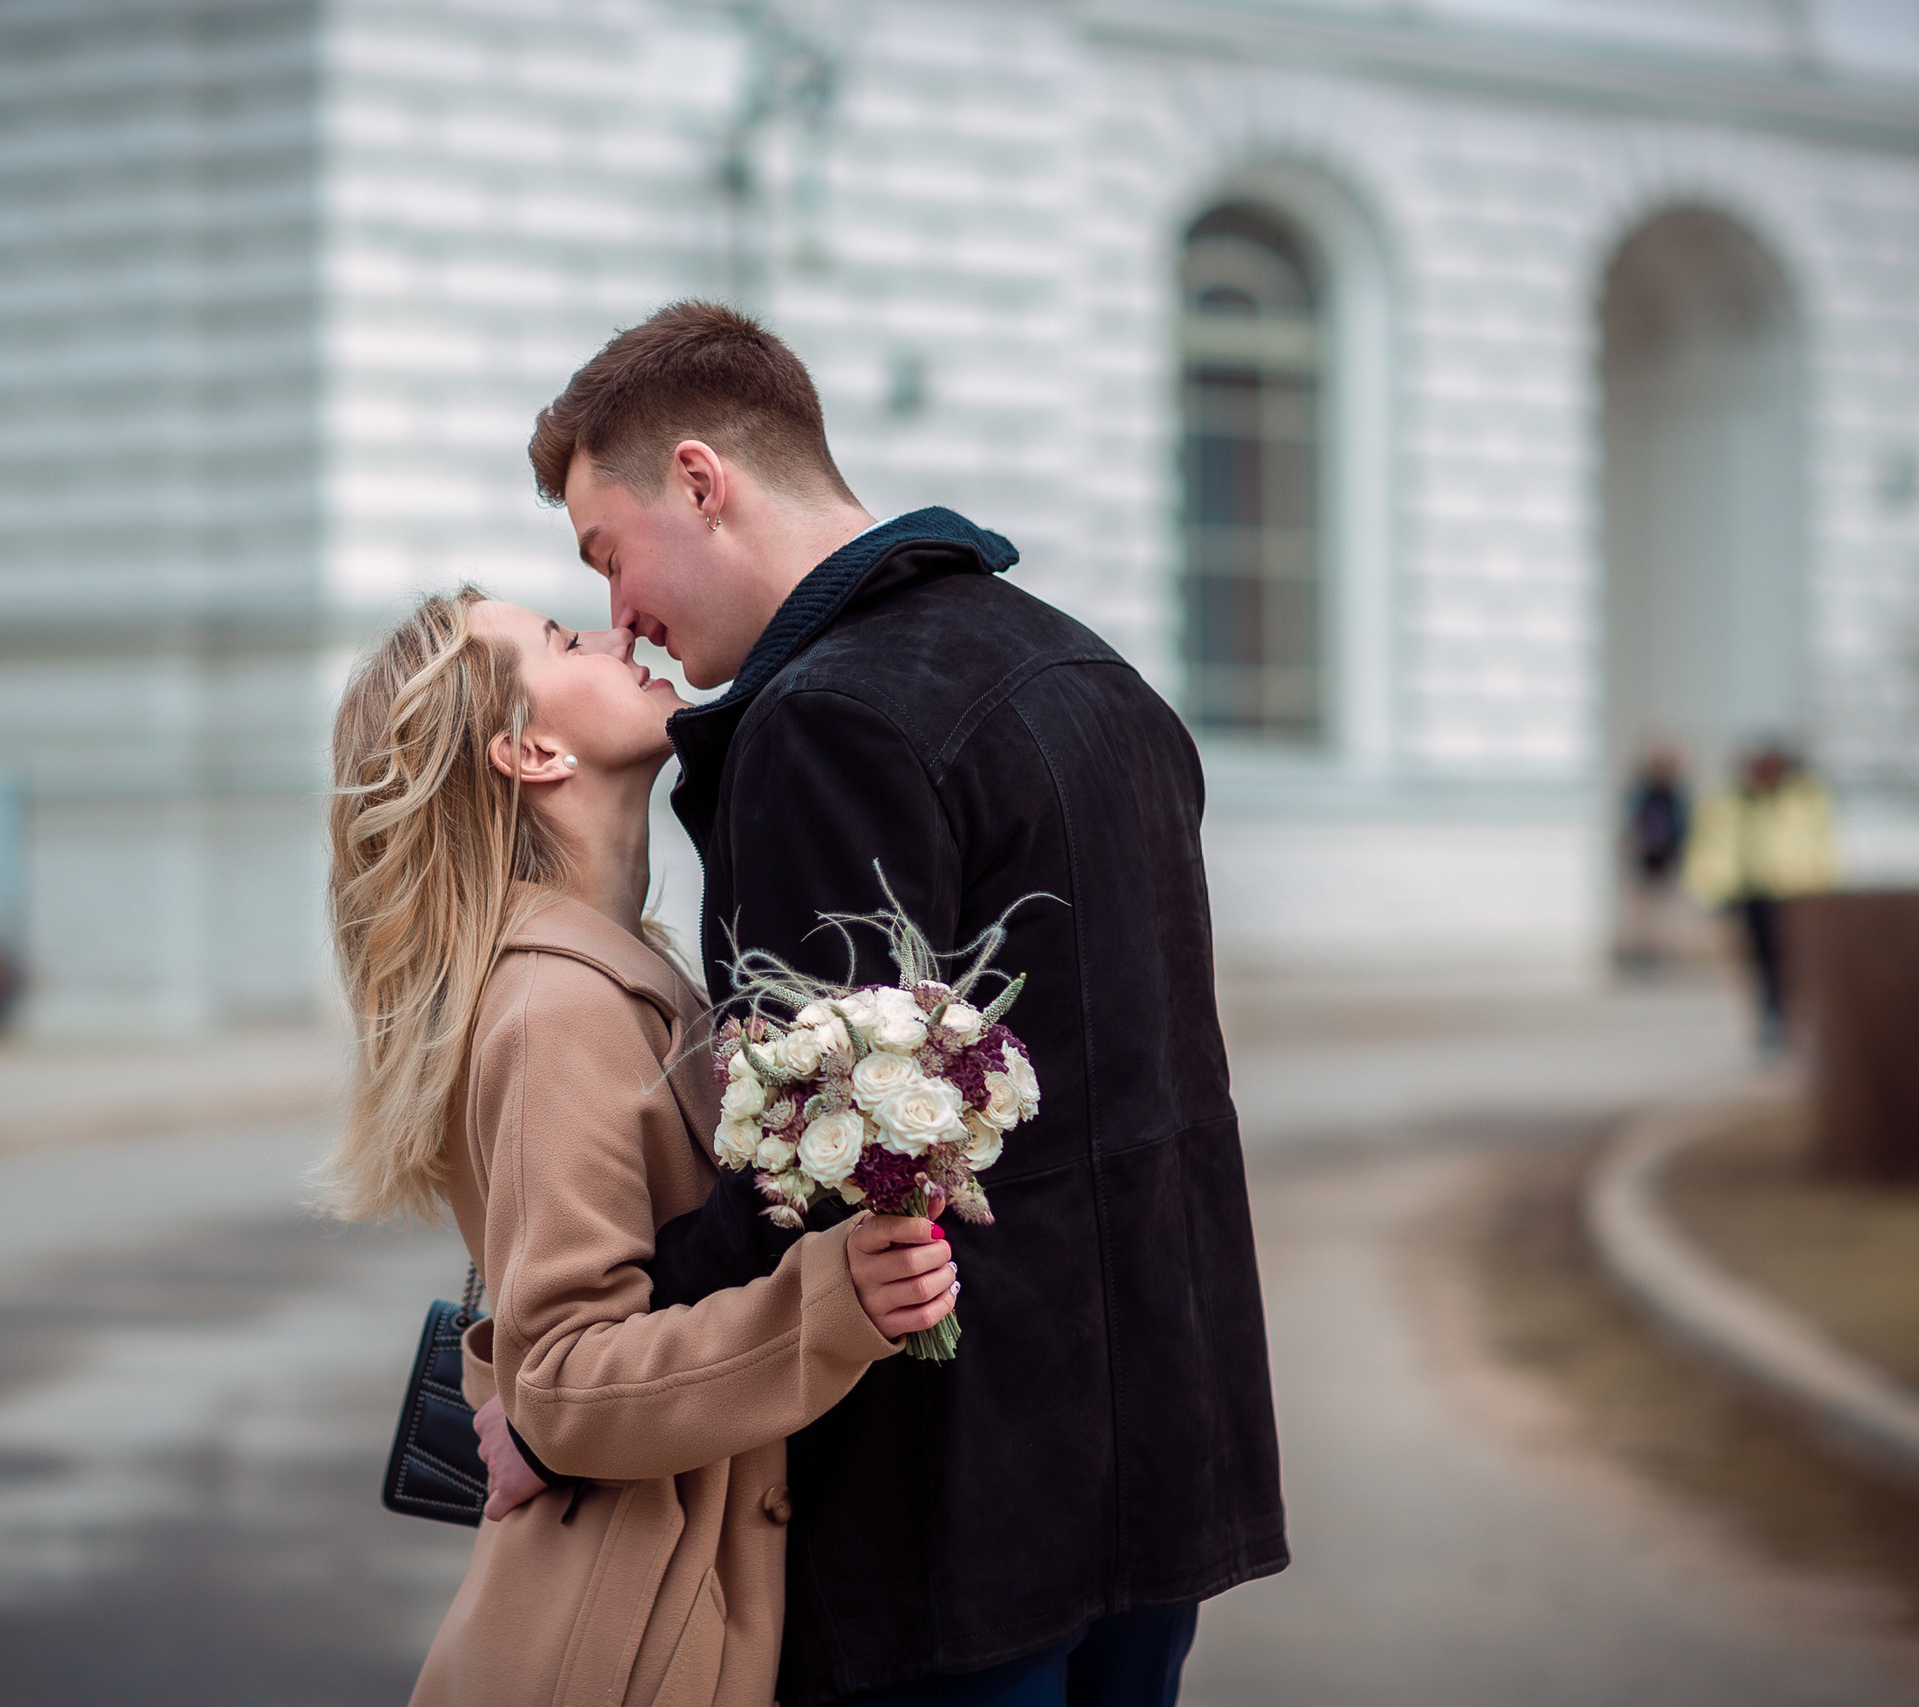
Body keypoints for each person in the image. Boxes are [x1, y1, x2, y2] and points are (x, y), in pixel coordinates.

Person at [486, 301, 1288, 1706]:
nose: (622, 614)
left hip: (959, 1515)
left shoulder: (827, 720)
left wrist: (557, 1419)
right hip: (1164, 1462)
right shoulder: (1092, 673)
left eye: (603, 554)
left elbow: (808, 1155)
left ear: (697, 477)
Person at [322, 589, 967, 1707]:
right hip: (622, 1640)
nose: (614, 633)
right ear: (530, 751)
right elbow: (562, 1385)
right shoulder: (554, 1010)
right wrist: (826, 1306)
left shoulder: (620, 969)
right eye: (567, 641)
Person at [1684, 742, 1837, 1056]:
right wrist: (1710, 888)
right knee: (1759, 963)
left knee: (1792, 961)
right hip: (1748, 892)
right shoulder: (1729, 799)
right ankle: (1769, 1020)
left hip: (1796, 892)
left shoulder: (1806, 797)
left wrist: (1824, 890)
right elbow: (1708, 846)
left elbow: (1823, 845)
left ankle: (1789, 1020)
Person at [1618, 743, 1692, 972]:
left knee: (1661, 910)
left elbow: (1682, 829)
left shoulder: (1672, 795)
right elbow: (1633, 827)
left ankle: (1657, 952)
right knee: (1643, 911)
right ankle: (1642, 952)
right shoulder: (1645, 794)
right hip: (1646, 859)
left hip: (1665, 859)